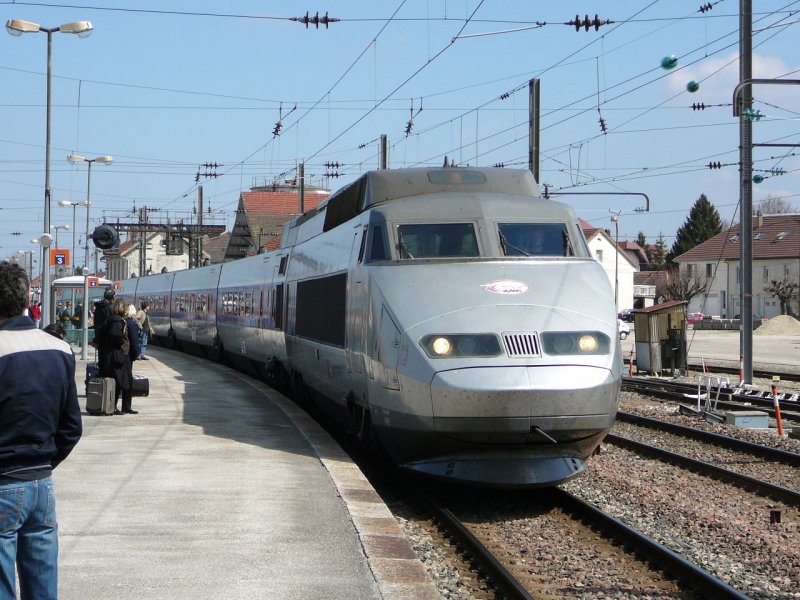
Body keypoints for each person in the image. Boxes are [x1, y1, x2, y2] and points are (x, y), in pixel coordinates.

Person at [0, 260, 82, 599]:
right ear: (24, 300)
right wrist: (43, 460)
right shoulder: (60, 349)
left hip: (3, 483)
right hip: (42, 485)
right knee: (43, 590)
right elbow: (71, 427)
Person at [100, 298, 136, 415]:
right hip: (116, 356)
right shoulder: (116, 321)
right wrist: (122, 342)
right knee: (118, 381)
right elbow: (115, 335)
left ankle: (120, 406)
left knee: (123, 380)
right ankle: (114, 407)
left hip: (114, 355)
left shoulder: (113, 320)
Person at [93, 287, 116, 377]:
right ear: (113, 297)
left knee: (102, 362)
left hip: (99, 338)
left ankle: (102, 382)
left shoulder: (98, 308)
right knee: (109, 364)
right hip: (109, 340)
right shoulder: (110, 308)